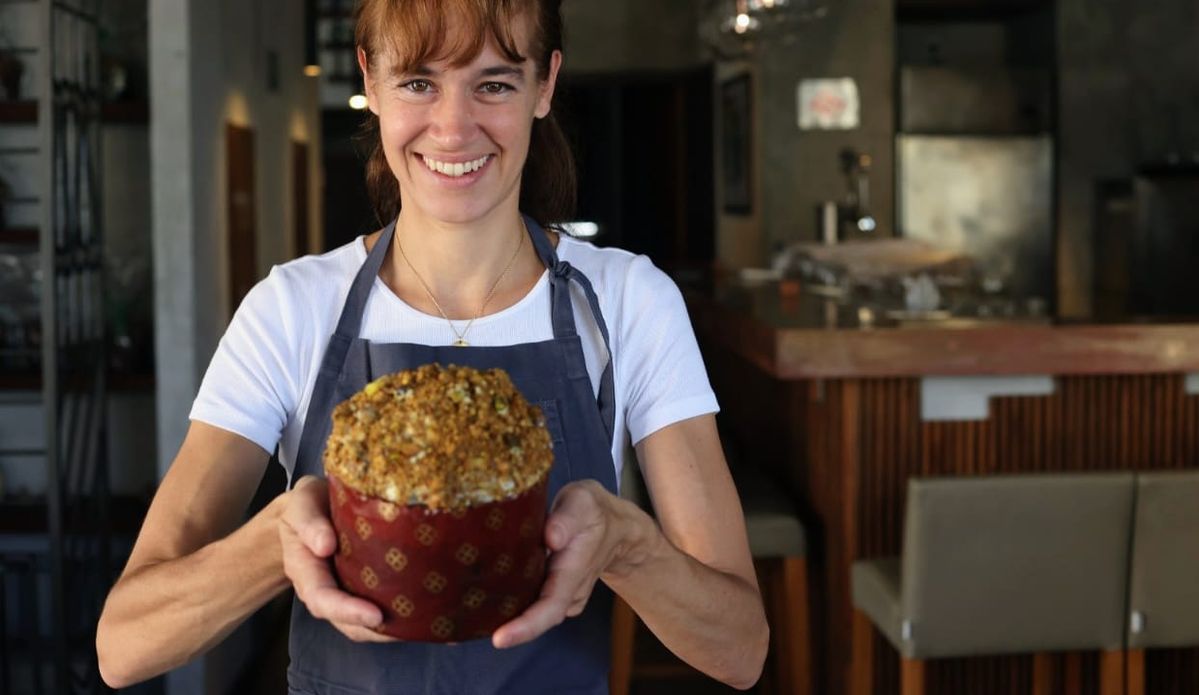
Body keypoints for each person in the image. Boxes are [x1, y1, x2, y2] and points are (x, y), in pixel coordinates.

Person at [96, 0, 769, 692]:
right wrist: (275, 543)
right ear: (372, 80)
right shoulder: (292, 309)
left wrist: (626, 543)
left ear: (545, 86)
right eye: (418, 81)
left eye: (495, 84)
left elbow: (739, 648)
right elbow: (125, 644)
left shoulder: (628, 302)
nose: (452, 128)